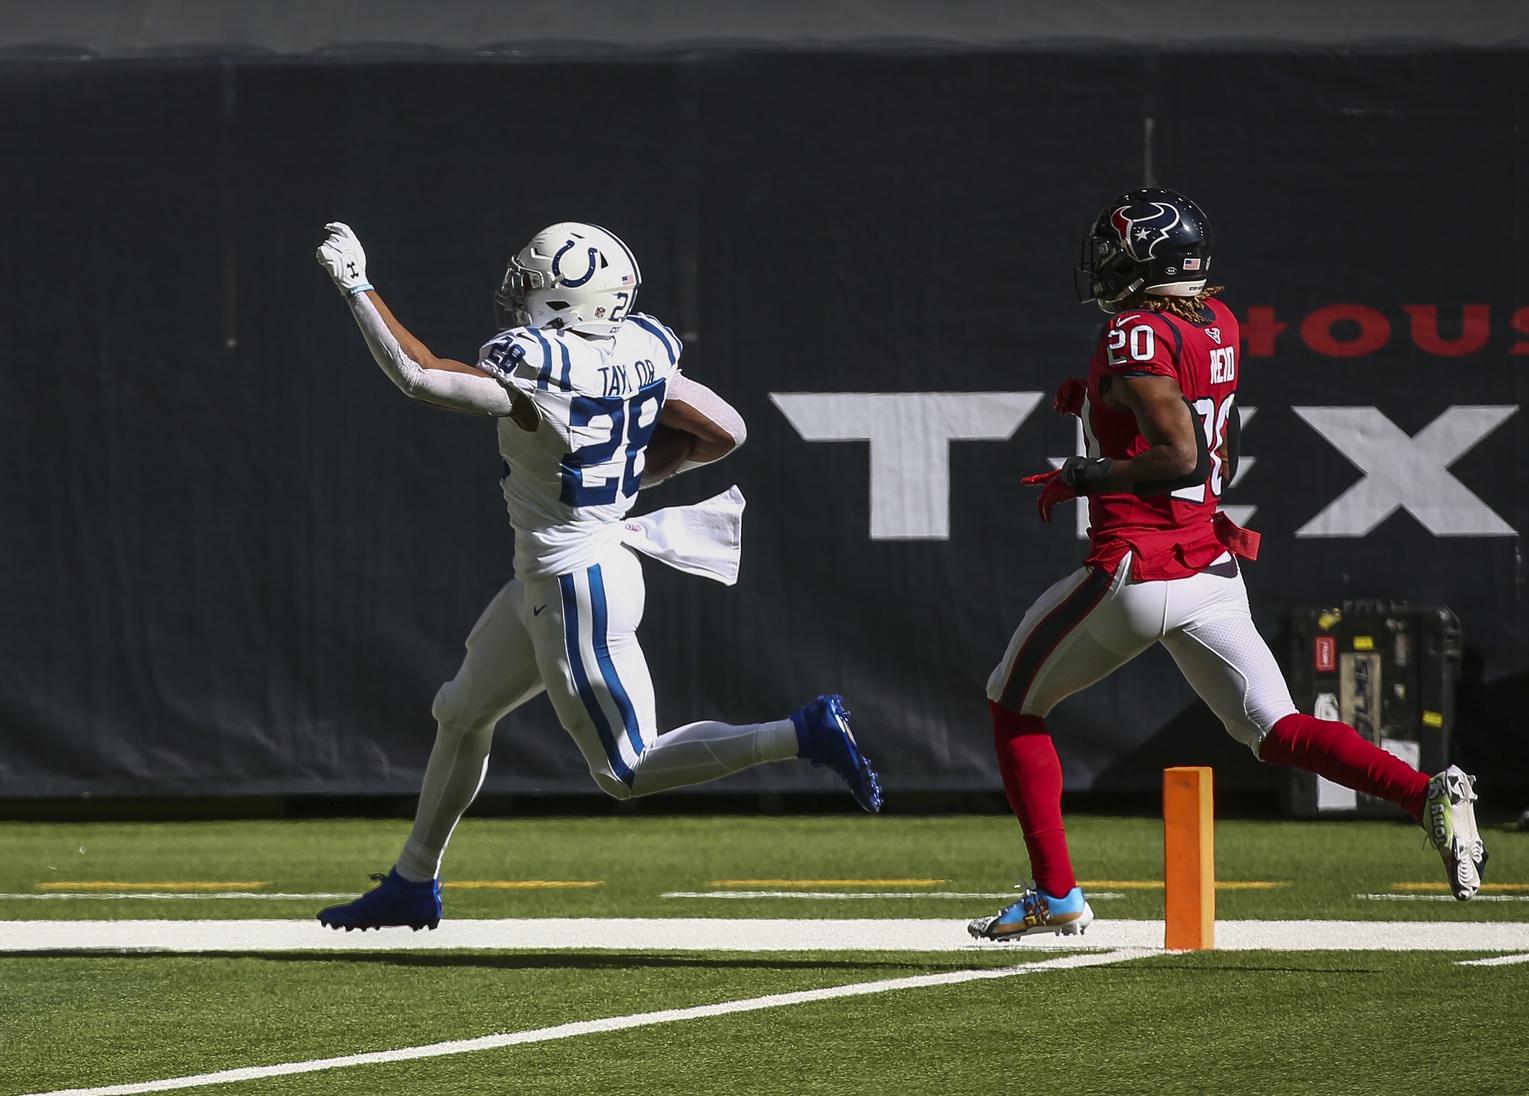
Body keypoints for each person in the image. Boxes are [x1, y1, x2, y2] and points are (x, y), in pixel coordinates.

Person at [312, 221, 882, 931]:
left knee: (626, 770)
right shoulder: (645, 347)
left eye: (533, 284)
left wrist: (357, 286)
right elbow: (726, 430)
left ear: (565, 298)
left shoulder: (539, 367)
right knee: (461, 712)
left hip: (574, 584)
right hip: (560, 571)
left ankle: (799, 733)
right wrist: (629, 477)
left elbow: (419, 374)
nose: (519, 296)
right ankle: (412, 879)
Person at [968, 188, 1486, 942]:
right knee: (1276, 729)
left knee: (1013, 704)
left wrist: (1082, 475)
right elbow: (1220, 443)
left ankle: (1056, 894)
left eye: (1115, 251)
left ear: (1144, 258)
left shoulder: (1134, 333)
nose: (1105, 266)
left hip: (1138, 569)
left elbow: (1179, 455)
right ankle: (1425, 795)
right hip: (1207, 565)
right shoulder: (1216, 321)